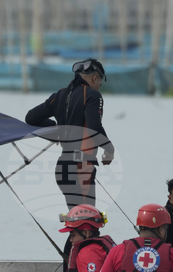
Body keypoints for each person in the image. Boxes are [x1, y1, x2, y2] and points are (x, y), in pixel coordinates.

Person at [25, 58, 115, 210]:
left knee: (78, 222)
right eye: (100, 82)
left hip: (63, 168)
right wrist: (109, 149)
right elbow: (94, 128)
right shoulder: (92, 95)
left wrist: (55, 129)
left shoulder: (59, 95)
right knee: (87, 223)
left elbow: (31, 118)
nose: (99, 87)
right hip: (81, 167)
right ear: (95, 78)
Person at [45, 204, 115, 272]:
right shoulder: (100, 247)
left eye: (72, 235)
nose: (70, 240)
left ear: (86, 233)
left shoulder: (88, 252)